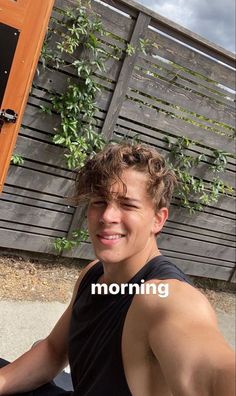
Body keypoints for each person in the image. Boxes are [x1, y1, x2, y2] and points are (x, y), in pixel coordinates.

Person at [0, 142, 235, 396]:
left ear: (158, 219)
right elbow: (53, 350)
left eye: (128, 204)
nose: (107, 216)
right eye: (100, 201)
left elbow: (212, 375)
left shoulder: (164, 298)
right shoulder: (93, 275)